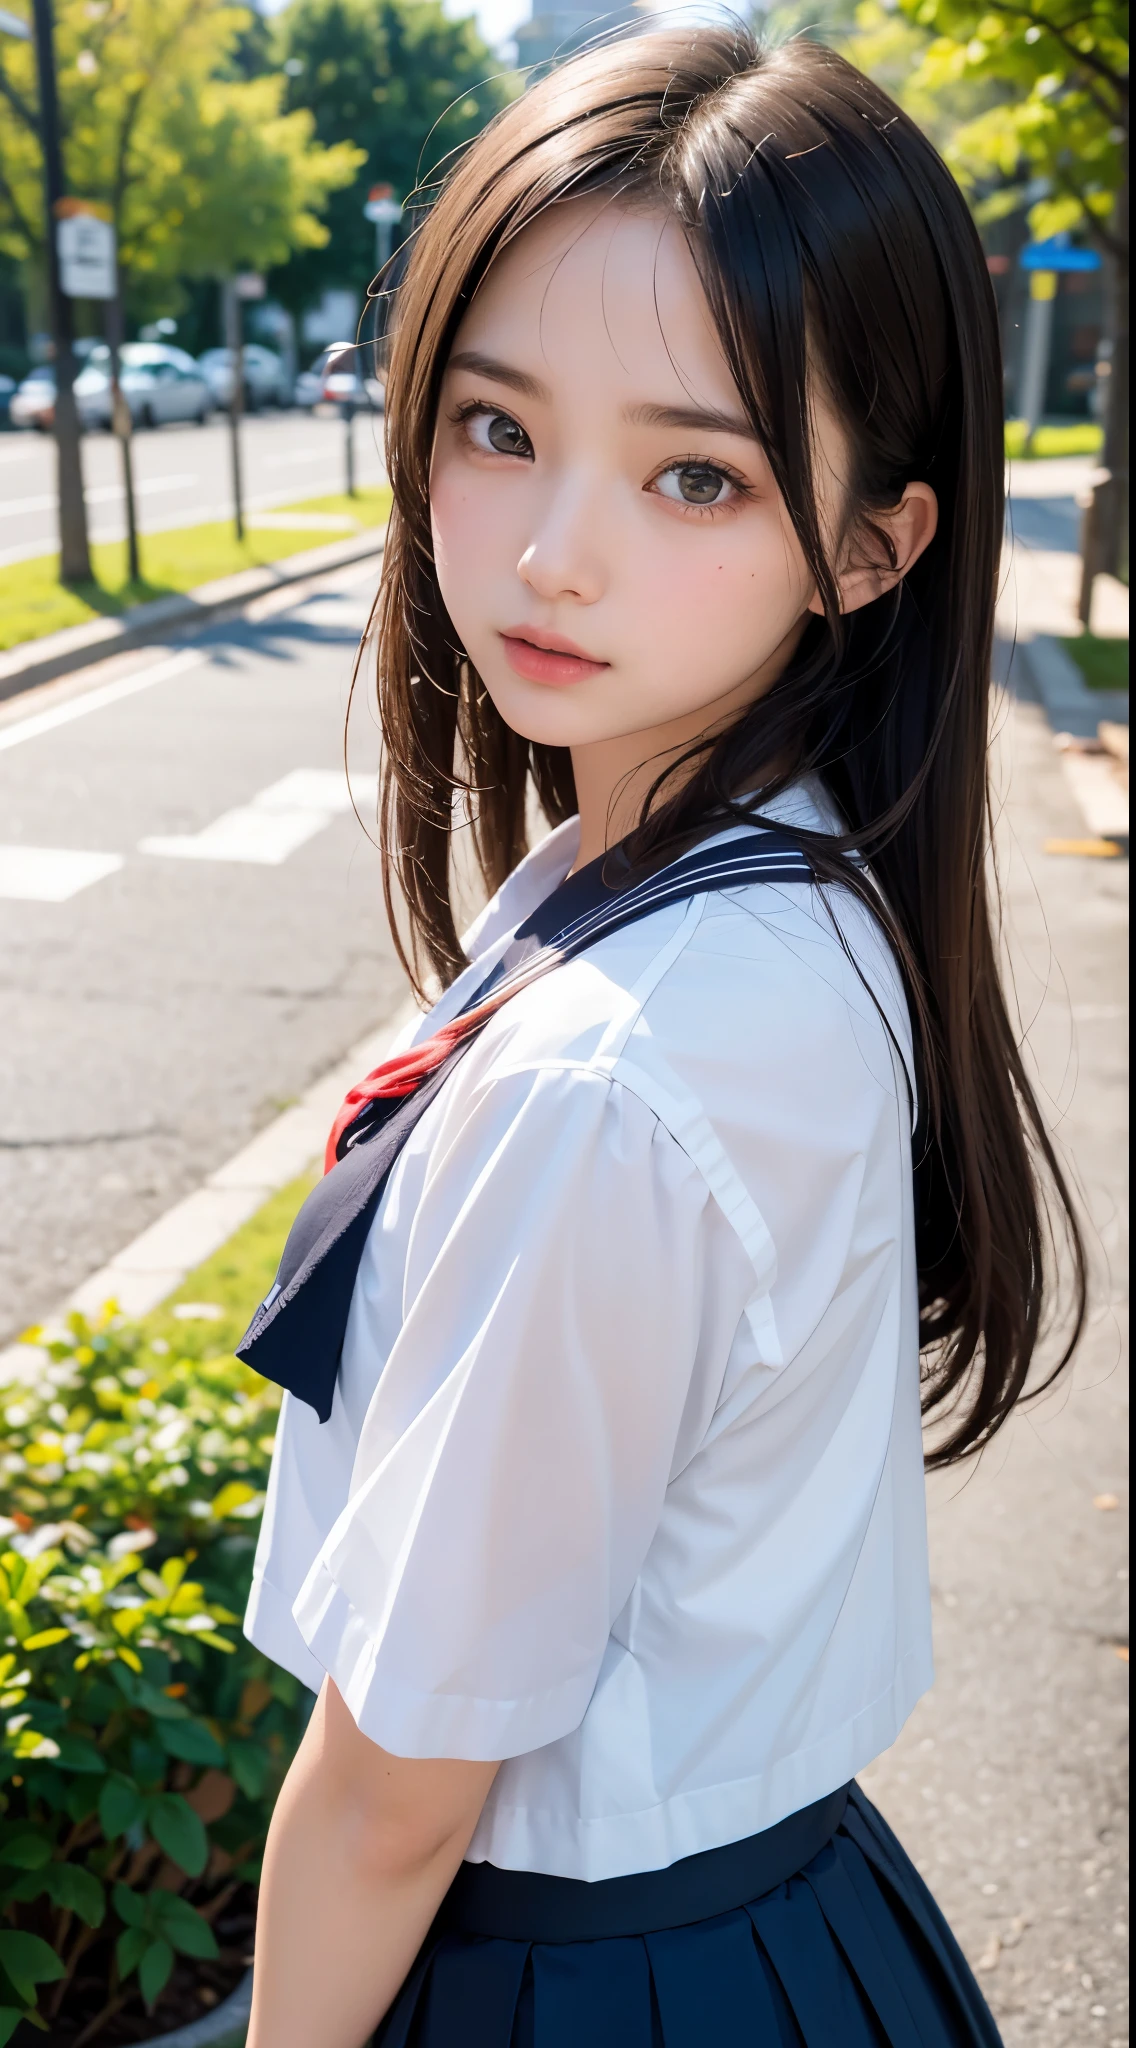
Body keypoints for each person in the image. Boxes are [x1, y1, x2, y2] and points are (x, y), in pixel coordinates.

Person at [239, 28, 1086, 2047]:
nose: (551, 550)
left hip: (571, 1971)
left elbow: (388, 1795)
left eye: (691, 470)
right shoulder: (787, 890)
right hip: (787, 1924)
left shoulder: (612, 1074)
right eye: (495, 424)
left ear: (872, 541)